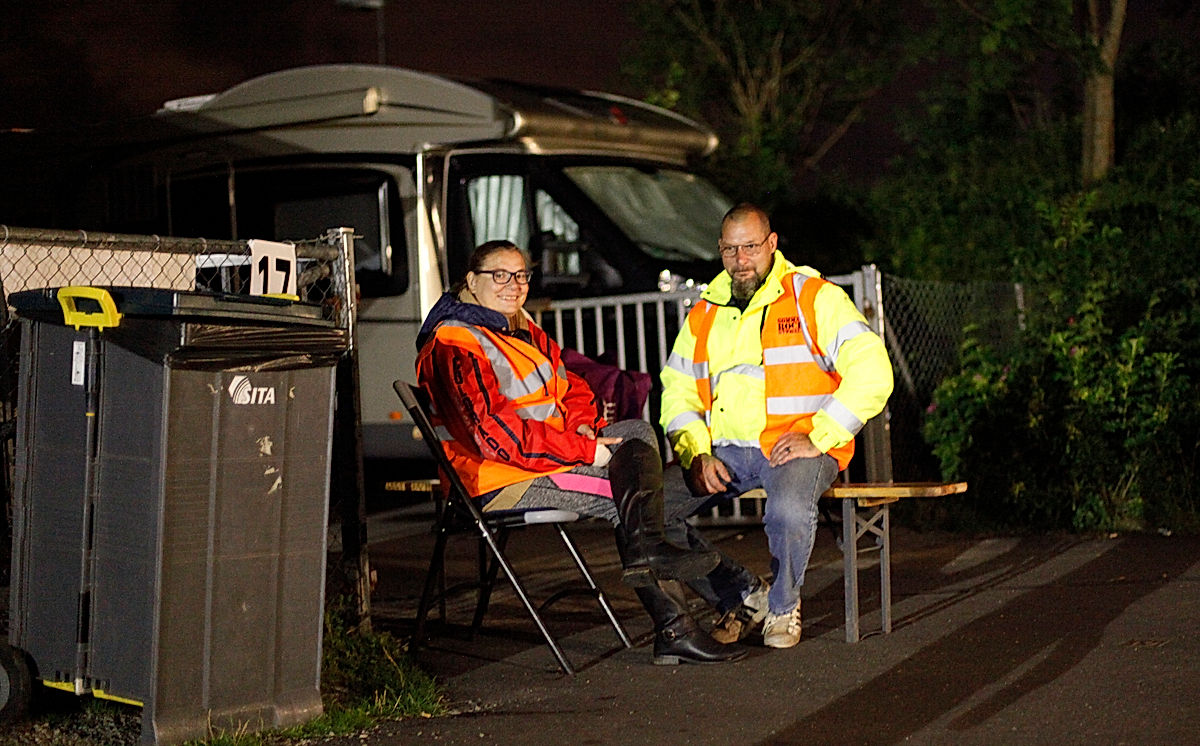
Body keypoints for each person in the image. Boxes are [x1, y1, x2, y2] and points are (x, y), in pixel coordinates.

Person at [415, 239, 746, 665]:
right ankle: (681, 624)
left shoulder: (518, 326)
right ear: (472, 282)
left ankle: (662, 564)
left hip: (542, 459)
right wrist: (585, 450)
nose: (513, 285)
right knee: (634, 498)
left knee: (635, 432)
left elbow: (572, 386)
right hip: (500, 479)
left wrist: (583, 428)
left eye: (521, 276)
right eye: (500, 275)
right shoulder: (454, 344)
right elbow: (495, 438)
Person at [660, 203, 894, 648]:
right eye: (730, 249)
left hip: (797, 446)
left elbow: (874, 371)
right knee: (649, 512)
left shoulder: (813, 296)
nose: (740, 260)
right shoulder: (705, 311)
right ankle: (744, 594)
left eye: (750, 247)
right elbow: (677, 389)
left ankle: (784, 608)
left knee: (787, 510)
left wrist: (819, 434)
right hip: (726, 449)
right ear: (720, 250)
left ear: (772, 244)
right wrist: (695, 451)